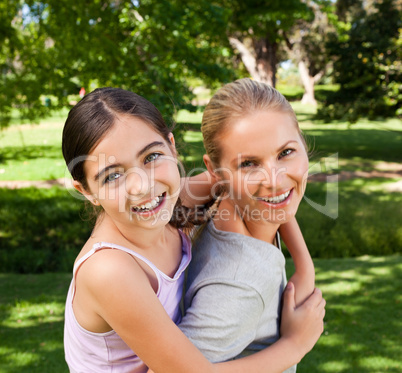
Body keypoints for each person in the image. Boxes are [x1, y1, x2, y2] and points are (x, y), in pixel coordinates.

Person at [62, 87, 325, 373]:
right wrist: (296, 344)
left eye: (151, 157)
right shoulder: (110, 270)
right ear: (86, 191)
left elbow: (271, 193)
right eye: (113, 175)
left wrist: (304, 264)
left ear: (171, 146)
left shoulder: (171, 201)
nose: (142, 186)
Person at [179, 78, 317, 371]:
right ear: (214, 171)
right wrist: (294, 347)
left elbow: (280, 201)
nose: (275, 179)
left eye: (285, 153)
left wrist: (305, 265)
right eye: (249, 164)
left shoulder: (230, 202)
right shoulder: (239, 284)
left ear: (302, 142)